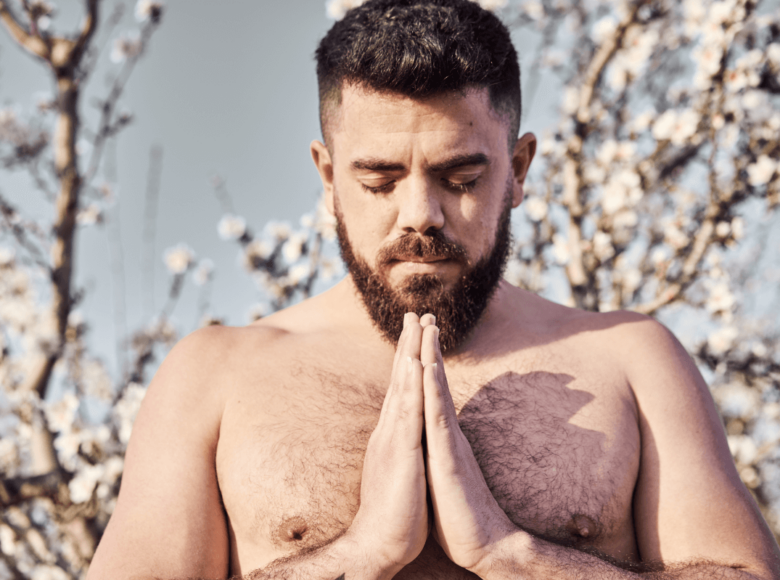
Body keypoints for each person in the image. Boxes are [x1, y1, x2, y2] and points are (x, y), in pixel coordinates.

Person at [86, 0, 780, 578]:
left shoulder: (632, 361)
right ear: (329, 179)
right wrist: (359, 555)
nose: (420, 214)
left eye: (461, 179)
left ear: (518, 168)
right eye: (380, 181)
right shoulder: (215, 375)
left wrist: (516, 557)